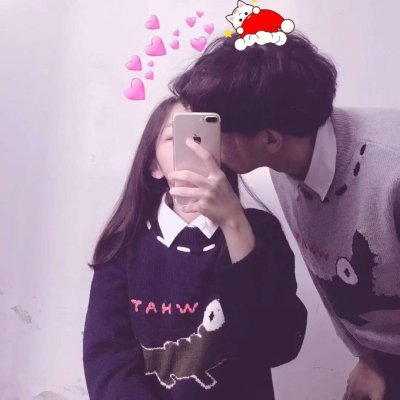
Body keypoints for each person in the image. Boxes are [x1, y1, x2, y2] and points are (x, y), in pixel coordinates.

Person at [169, 31, 400, 400]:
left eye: (215, 129)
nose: (206, 145)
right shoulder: (286, 163)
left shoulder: (389, 172)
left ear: (270, 140)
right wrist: (368, 357)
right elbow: (328, 272)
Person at [82, 96, 307, 400]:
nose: (192, 147)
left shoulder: (261, 232)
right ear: (154, 166)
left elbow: (276, 346)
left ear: (223, 153)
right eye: (175, 137)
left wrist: (234, 224)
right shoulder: (125, 244)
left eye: (204, 136)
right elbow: (108, 362)